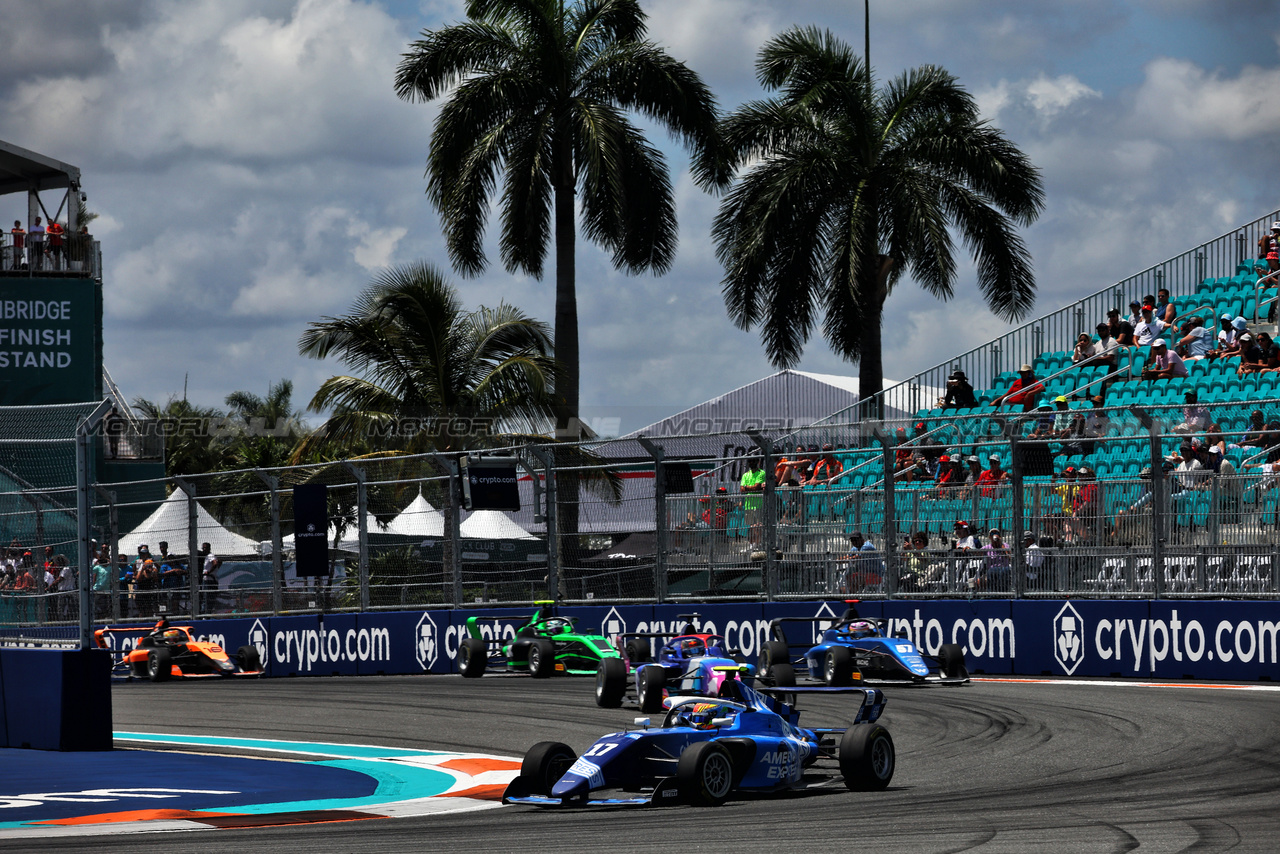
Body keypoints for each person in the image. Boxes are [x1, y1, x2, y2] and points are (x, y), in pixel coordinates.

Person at [739, 458, 766, 544]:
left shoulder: (761, 473)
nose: (751, 463)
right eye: (749, 461)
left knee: (758, 526)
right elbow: (742, 489)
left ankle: (759, 544)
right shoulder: (745, 475)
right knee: (751, 526)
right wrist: (752, 488)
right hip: (748, 505)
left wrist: (747, 487)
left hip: (759, 504)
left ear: (757, 462)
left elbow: (757, 487)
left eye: (753, 461)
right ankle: (753, 544)